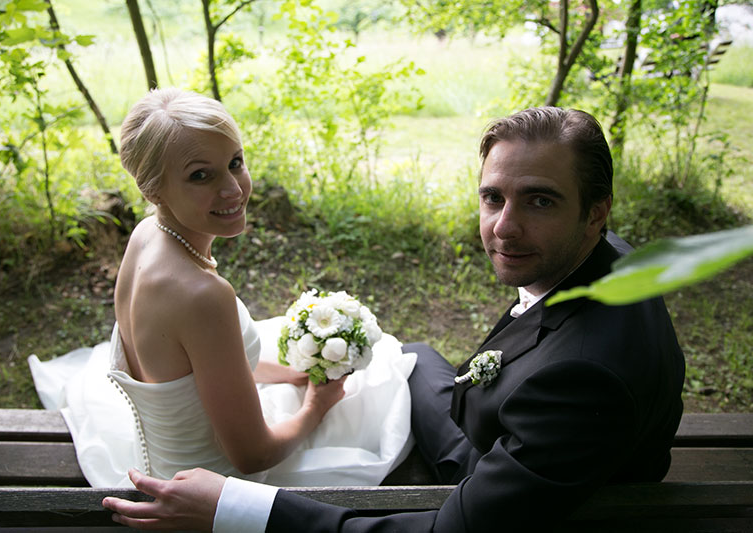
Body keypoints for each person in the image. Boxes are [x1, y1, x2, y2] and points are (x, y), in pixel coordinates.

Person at [102, 106, 686, 531]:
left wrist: (234, 508)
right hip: (517, 442)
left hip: (540, 497)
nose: (504, 228)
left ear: (595, 212)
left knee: (383, 381)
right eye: (493, 198)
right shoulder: (610, 257)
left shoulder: (581, 381)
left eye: (540, 200)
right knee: (410, 358)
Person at [27, 88, 417, 489]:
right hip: (216, 486)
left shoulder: (145, 235)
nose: (232, 188)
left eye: (235, 163)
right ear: (152, 190)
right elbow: (252, 456)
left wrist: (290, 375)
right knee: (384, 392)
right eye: (201, 175)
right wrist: (317, 407)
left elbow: (198, 364)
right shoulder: (202, 296)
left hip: (169, 455)